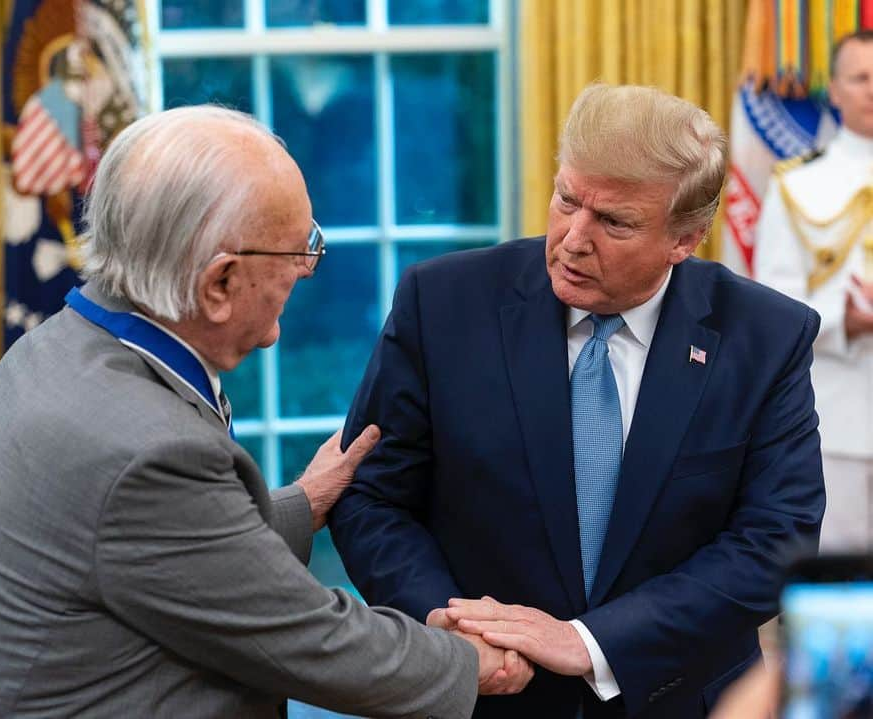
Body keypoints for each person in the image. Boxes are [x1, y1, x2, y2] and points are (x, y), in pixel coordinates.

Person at [0, 106, 533, 717]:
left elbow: (157, 552)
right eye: (300, 251)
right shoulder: (148, 451)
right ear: (219, 284)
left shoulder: (49, 352)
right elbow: (309, 640)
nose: (305, 269)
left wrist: (306, 500)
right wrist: (469, 661)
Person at [328, 84, 825, 718]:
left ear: (686, 239)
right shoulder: (443, 302)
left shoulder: (766, 336)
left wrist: (589, 643)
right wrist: (445, 624)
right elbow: (373, 496)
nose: (571, 239)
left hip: (680, 699)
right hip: (484, 693)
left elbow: (775, 539)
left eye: (614, 221)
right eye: (566, 199)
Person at [754, 30, 873, 552]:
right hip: (840, 416)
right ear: (836, 91)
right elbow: (775, 306)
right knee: (839, 587)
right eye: (861, 77)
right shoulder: (796, 185)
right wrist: (845, 319)